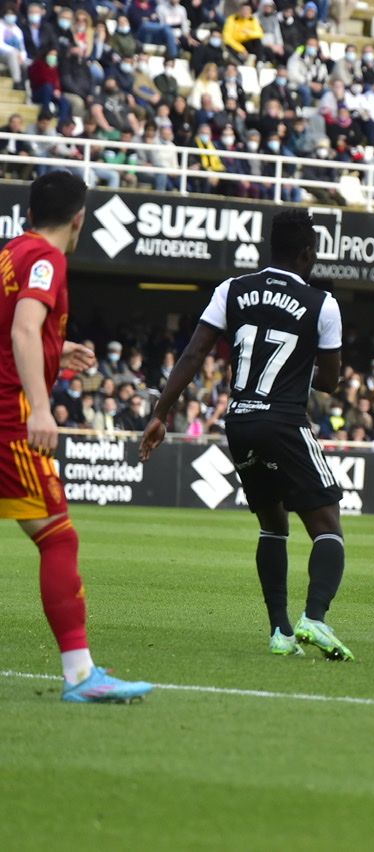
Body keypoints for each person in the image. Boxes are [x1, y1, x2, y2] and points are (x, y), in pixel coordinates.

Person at [139, 210, 353, 661]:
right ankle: (314, 617)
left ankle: (280, 631)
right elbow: (331, 383)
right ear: (307, 254)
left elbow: (194, 353)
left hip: (239, 420)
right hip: (284, 421)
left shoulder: (230, 289)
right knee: (327, 522)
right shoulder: (322, 303)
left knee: (273, 524)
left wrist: (161, 412)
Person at [0, 171, 153, 702]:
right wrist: (41, 407)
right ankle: (80, 674)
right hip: (11, 420)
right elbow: (20, 328)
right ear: (79, 217)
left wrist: (53, 351)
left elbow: (14, 329)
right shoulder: (48, 257)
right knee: (58, 537)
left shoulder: (10, 251)